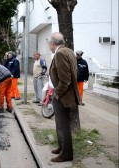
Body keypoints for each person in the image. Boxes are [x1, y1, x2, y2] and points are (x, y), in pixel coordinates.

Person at [48, 32, 80, 162]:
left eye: (48, 43)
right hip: (67, 94)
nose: (49, 46)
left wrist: (57, 94)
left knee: (63, 125)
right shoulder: (68, 51)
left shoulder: (60, 53)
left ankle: (66, 154)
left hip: (63, 96)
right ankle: (61, 147)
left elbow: (65, 80)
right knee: (60, 124)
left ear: (52, 43)